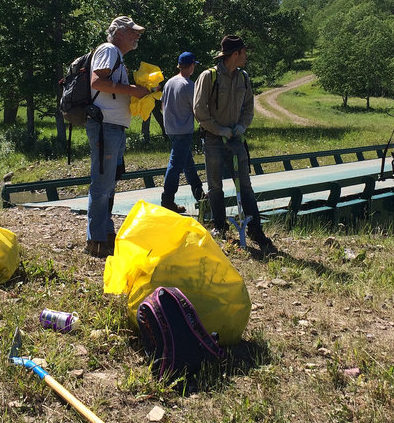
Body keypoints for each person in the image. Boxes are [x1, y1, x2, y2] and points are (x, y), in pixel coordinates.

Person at [193, 35, 278, 256]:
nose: (246, 56)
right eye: (244, 52)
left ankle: (255, 230)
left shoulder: (244, 78)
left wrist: (242, 126)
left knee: (245, 185)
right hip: (213, 139)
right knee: (215, 186)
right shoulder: (208, 77)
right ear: (235, 54)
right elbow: (199, 109)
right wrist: (218, 130)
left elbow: (249, 106)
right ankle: (220, 227)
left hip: (236, 139)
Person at [85, 16, 152, 258]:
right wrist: (132, 90)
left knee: (109, 184)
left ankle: (105, 233)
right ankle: (96, 240)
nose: (137, 36)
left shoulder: (117, 56)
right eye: (133, 31)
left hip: (114, 127)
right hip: (105, 126)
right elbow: (97, 82)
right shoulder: (109, 49)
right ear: (118, 32)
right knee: (102, 184)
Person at [160, 51, 205, 213]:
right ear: (191, 66)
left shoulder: (169, 83)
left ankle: (200, 195)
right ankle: (167, 199)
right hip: (183, 130)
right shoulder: (189, 85)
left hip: (171, 129)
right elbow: (197, 109)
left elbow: (162, 105)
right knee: (175, 165)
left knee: (188, 164)